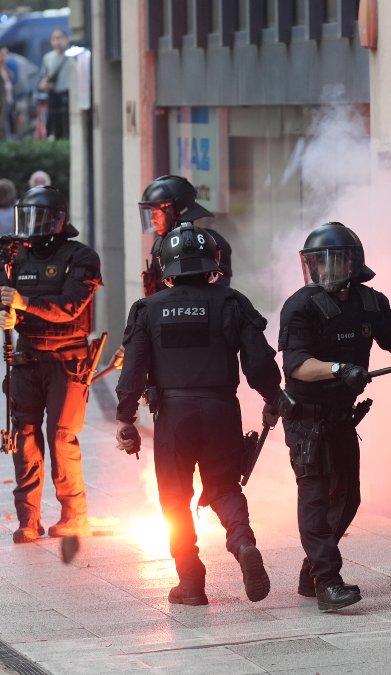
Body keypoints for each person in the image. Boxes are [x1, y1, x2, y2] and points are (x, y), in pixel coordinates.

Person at [114, 223, 281, 606]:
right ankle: (242, 545)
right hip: (221, 409)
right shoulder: (232, 302)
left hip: (172, 416)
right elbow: (259, 364)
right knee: (224, 488)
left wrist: (125, 419)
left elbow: (133, 370)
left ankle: (191, 582)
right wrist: (274, 397)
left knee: (174, 498)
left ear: (165, 266)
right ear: (213, 263)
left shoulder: (147, 308)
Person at [277, 222, 391, 611]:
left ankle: (312, 571)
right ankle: (328, 582)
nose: (322, 271)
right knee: (315, 497)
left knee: (347, 500)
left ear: (352, 263)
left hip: (341, 416)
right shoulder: (300, 305)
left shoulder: (371, 303)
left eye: (331, 261)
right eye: (316, 262)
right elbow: (296, 365)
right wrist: (338, 370)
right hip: (305, 418)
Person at [0, 187, 101, 544]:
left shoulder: (82, 257)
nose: (32, 226)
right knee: (23, 437)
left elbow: (71, 305)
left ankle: (73, 515)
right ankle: (28, 519)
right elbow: (3, 294)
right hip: (27, 359)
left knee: (61, 437)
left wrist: (24, 303)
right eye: (27, 217)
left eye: (40, 218)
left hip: (67, 361)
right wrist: (2, 312)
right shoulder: (17, 257)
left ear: (58, 221)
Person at [38, 29, 71, 140]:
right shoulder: (48, 58)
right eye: (55, 38)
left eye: (60, 37)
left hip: (70, 94)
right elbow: (45, 77)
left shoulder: (73, 55)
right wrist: (44, 86)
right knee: (55, 126)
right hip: (54, 96)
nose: (58, 41)